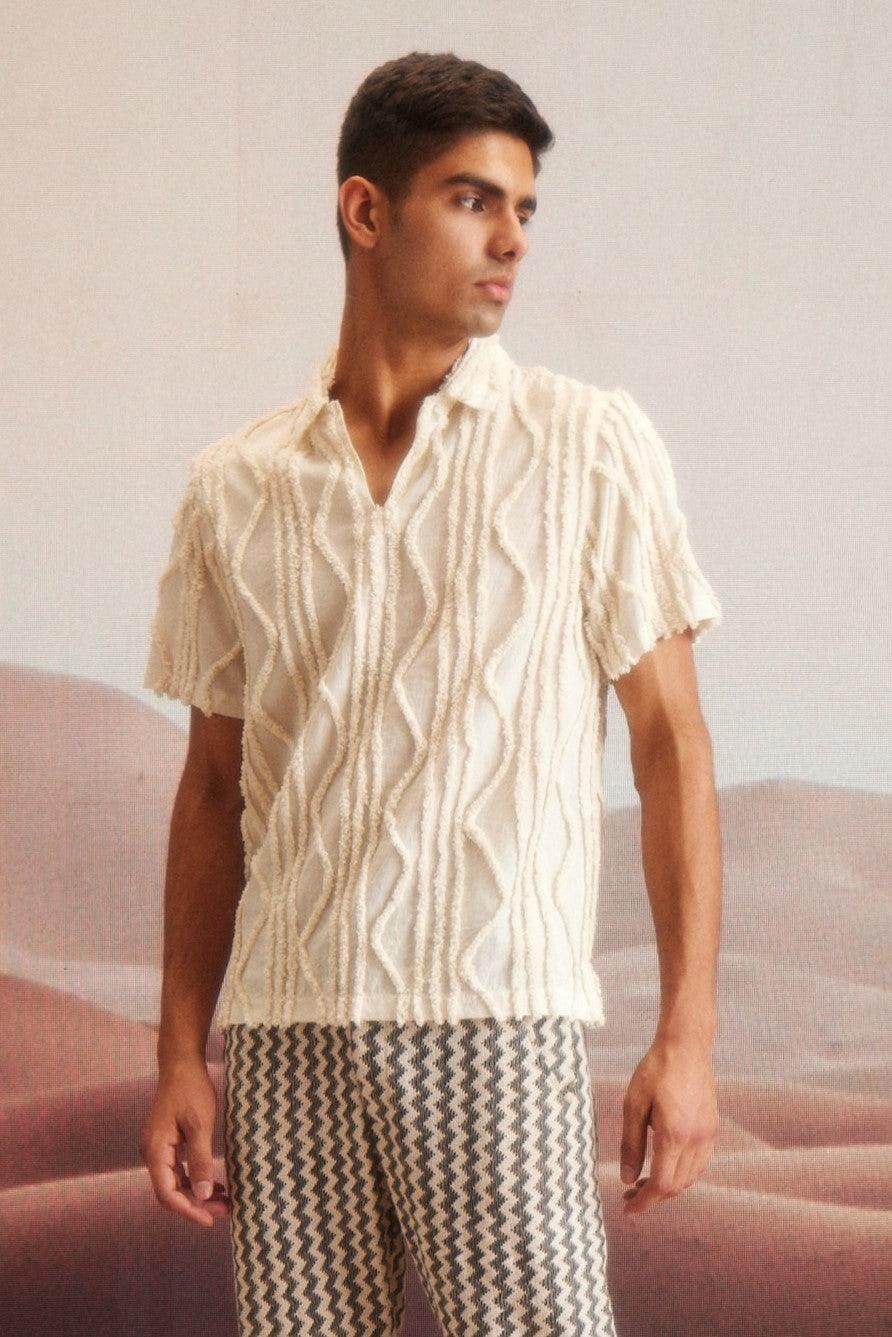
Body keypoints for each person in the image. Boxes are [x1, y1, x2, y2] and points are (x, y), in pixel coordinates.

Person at [139, 49, 724, 1337]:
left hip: (498, 1019)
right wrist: (182, 1051)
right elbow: (214, 788)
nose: (512, 239)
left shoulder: (586, 445)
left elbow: (670, 744)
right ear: (366, 210)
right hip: (286, 1040)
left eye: (525, 209)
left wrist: (687, 1036)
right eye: (472, 200)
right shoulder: (233, 486)